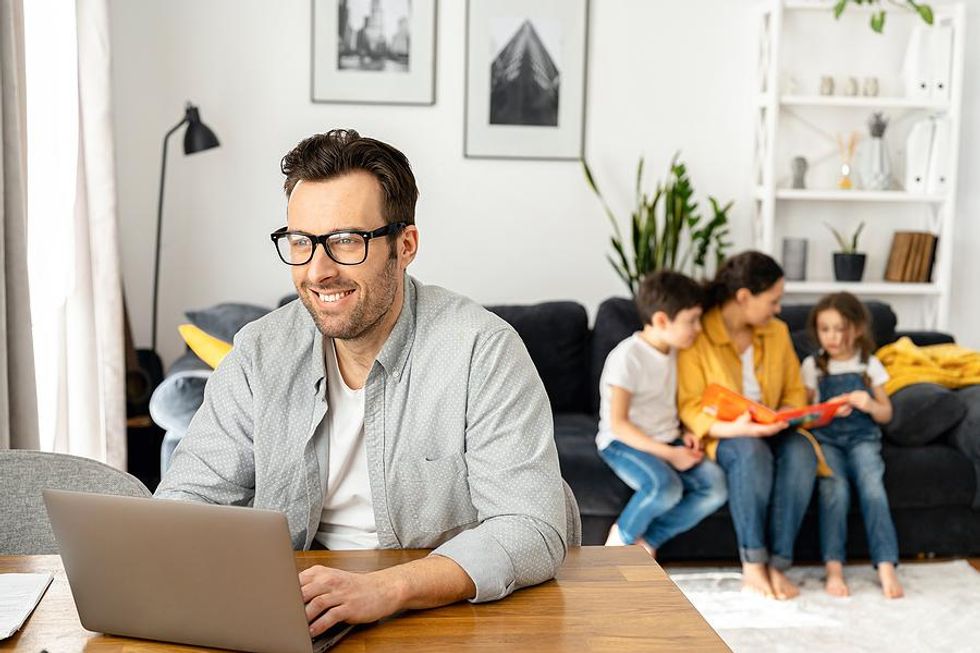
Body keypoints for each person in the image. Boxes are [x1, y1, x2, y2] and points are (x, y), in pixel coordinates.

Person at [155, 129, 567, 637]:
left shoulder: (483, 349)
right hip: (298, 612)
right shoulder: (259, 352)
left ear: (405, 245)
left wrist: (388, 588)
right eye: (301, 243)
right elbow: (184, 503)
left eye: (346, 241)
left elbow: (532, 527)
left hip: (443, 614)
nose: (318, 271)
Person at [677, 251, 829, 599]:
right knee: (750, 451)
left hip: (774, 428)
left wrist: (786, 414)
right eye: (773, 300)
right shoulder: (699, 334)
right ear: (744, 297)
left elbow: (793, 389)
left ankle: (778, 564)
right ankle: (753, 565)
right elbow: (689, 404)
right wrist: (739, 427)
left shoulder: (776, 332)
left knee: (803, 452)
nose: (779, 309)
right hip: (731, 435)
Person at [596, 271, 727, 558]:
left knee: (716, 487)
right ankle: (618, 543)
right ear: (661, 320)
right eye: (691, 321)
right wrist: (669, 455)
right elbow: (618, 424)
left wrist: (685, 434)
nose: (699, 328)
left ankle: (649, 542)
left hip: (668, 437)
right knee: (665, 487)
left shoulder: (678, 352)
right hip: (623, 442)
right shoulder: (627, 357)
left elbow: (671, 405)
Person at [802, 292, 903, 599]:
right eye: (825, 329)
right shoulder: (813, 366)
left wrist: (869, 403)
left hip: (863, 439)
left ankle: (886, 565)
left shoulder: (868, 364)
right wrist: (826, 409)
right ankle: (834, 568)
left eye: (840, 328)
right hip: (827, 440)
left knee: (872, 487)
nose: (832, 337)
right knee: (835, 490)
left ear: (857, 328)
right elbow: (803, 417)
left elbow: (886, 413)